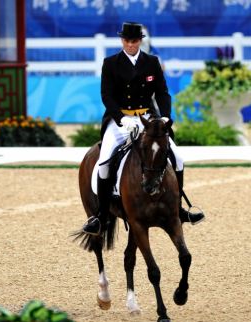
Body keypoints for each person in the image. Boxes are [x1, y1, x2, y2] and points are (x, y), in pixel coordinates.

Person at [82, 22, 205, 236]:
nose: (131, 44)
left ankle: (179, 209)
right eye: (127, 41)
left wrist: (165, 115)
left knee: (177, 157)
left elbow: (163, 92)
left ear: (140, 41)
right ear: (122, 41)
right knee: (103, 162)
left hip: (147, 118)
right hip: (120, 120)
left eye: (135, 41)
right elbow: (107, 96)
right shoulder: (110, 63)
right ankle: (101, 216)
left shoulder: (152, 62)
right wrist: (121, 119)